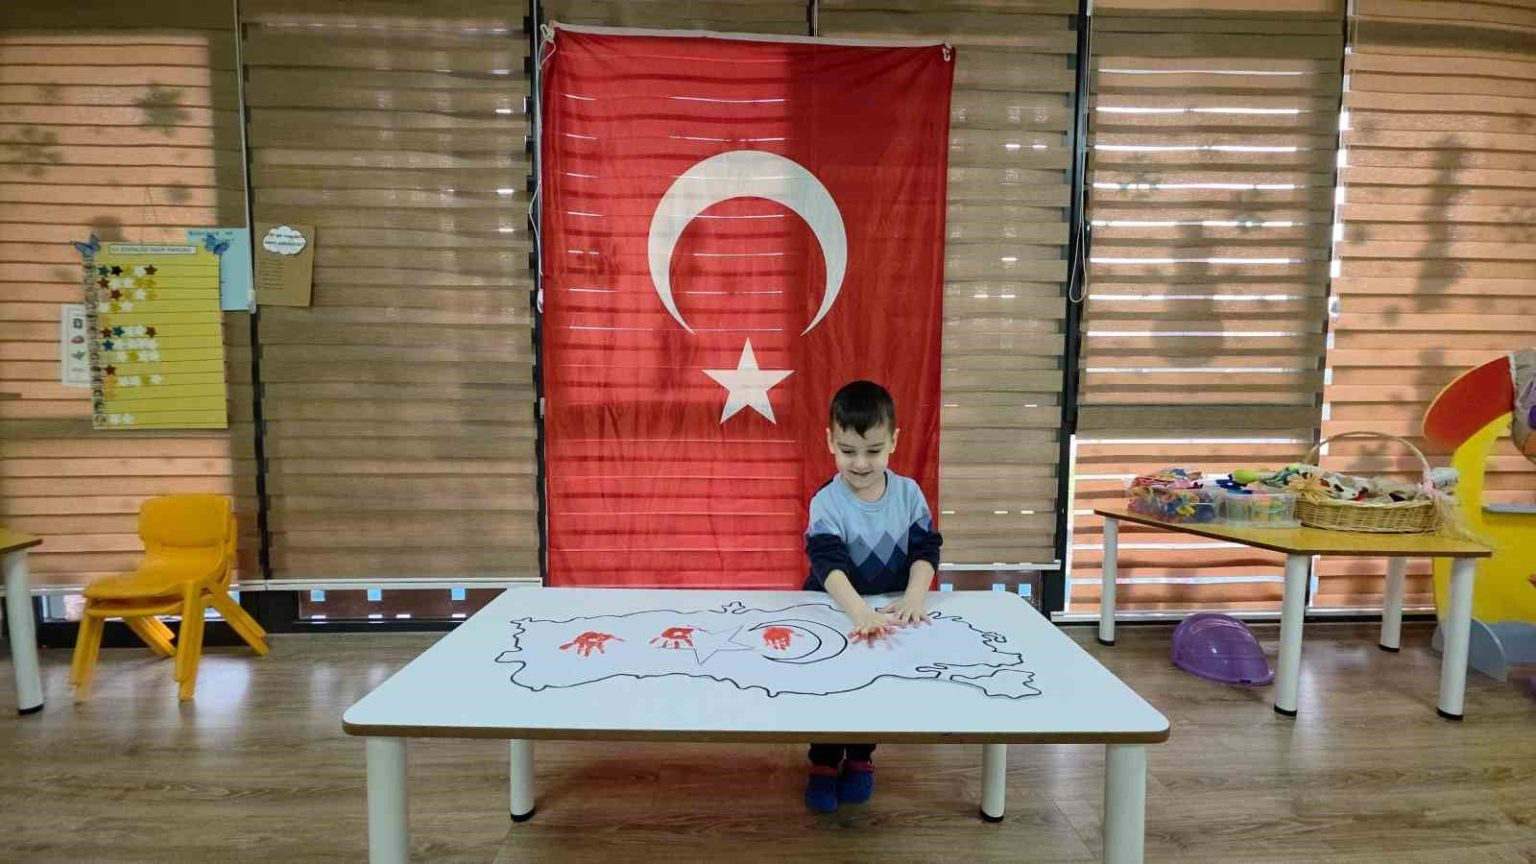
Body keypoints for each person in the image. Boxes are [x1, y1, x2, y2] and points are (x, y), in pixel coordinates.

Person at [801, 380, 943, 812]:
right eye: (848, 451)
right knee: (831, 684)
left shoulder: (909, 494)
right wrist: (859, 612)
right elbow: (828, 565)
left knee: (873, 683)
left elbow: (926, 550)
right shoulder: (827, 502)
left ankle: (862, 756)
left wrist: (915, 597)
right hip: (837, 606)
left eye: (873, 451)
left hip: (886, 608)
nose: (860, 463)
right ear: (830, 441)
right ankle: (823, 761)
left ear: (894, 441)